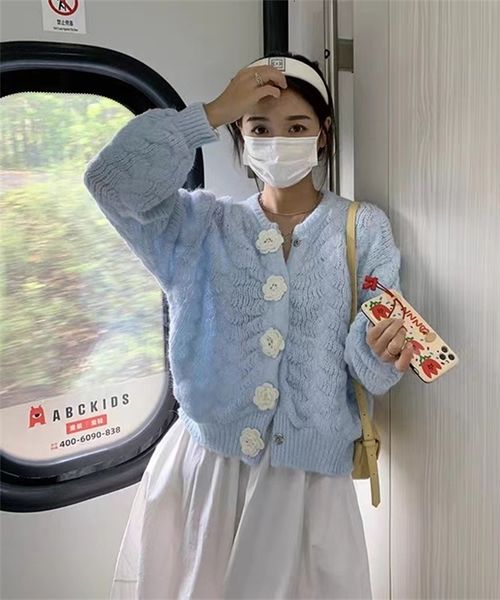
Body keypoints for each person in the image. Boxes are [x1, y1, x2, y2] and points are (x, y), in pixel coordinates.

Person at [84, 50, 414, 600]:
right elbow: (110, 181)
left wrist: (383, 353)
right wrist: (211, 112)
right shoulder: (199, 226)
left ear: (323, 133)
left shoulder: (363, 229)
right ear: (241, 135)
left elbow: (371, 369)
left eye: (297, 127)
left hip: (309, 484)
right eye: (260, 127)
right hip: (207, 473)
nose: (278, 140)